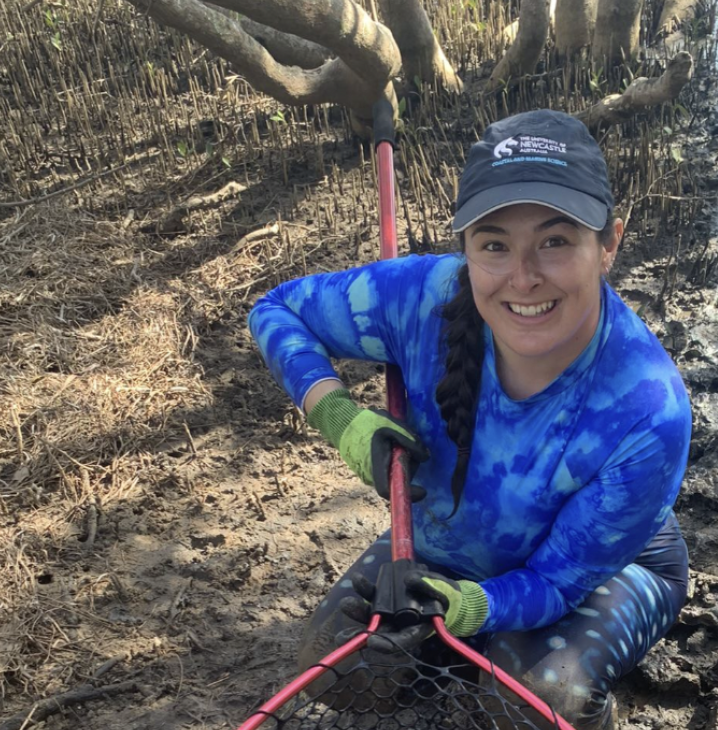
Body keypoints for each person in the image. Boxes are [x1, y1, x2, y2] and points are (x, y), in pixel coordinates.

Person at [248, 109, 692, 730]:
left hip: (603, 569)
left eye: (556, 241)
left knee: (535, 701)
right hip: (447, 548)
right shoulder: (419, 297)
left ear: (609, 243)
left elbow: (556, 584)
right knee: (335, 665)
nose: (523, 276)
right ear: (466, 249)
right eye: (494, 245)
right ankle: (471, 658)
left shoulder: (647, 410)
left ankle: (531, 673)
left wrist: (476, 606)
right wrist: (337, 413)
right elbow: (276, 310)